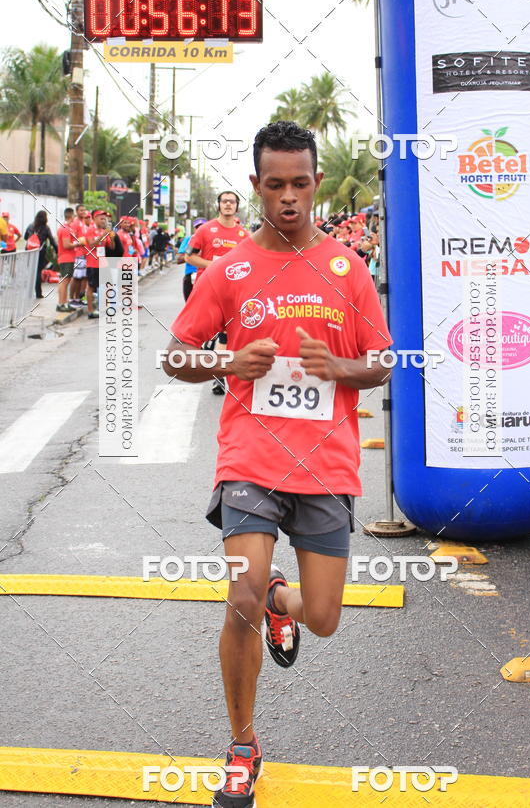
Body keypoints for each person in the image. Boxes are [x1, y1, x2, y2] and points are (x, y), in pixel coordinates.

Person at [162, 121, 392, 808]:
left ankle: (279, 601)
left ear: (315, 182)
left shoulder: (348, 269)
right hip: (251, 459)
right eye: (274, 185)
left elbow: (381, 361)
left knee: (322, 618)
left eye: (299, 183)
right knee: (240, 595)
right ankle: (242, 745)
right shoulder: (229, 269)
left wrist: (343, 366)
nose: (287, 198)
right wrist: (225, 360)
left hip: (326, 466)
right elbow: (175, 355)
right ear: (256, 185)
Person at [185, 191, 250, 394]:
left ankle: (219, 377)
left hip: (233, 291)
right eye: (224, 201)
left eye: (232, 202)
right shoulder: (205, 230)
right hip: (208, 287)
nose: (228, 205)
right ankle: (209, 349)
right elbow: (189, 258)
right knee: (205, 331)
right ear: (219, 205)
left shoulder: (244, 235)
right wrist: (214, 264)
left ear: (237, 207)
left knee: (226, 334)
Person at [84, 209, 123, 319]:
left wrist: (111, 237)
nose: (104, 220)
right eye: (101, 218)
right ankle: (91, 311)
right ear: (95, 219)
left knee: (108, 286)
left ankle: (106, 308)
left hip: (103, 263)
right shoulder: (90, 230)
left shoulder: (104, 231)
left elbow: (112, 247)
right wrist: (103, 235)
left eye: (105, 219)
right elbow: (91, 244)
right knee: (91, 287)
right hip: (93, 263)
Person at [24, 210, 58, 299]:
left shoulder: (30, 226)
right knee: (38, 272)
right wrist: (57, 251)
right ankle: (38, 293)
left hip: (29, 252)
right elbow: (52, 241)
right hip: (40, 252)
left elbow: (25, 237)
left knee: (31, 271)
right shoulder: (46, 228)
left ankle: (28, 293)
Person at [56, 207, 79, 312]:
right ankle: (61, 304)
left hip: (68, 258)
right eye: (74, 215)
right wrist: (78, 243)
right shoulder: (65, 229)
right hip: (66, 258)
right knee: (64, 281)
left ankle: (64, 303)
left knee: (66, 281)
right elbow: (66, 245)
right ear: (71, 216)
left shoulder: (68, 228)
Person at [177, 218, 204, 301]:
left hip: (207, 276)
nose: (200, 229)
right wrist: (193, 255)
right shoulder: (189, 240)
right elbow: (179, 260)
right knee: (189, 305)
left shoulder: (213, 241)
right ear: (194, 229)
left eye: (202, 227)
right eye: (197, 227)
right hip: (191, 275)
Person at [69, 204, 89, 307]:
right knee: (76, 277)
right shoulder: (75, 223)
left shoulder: (83, 223)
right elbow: (72, 238)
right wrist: (79, 242)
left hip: (85, 254)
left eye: (84, 210)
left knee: (82, 278)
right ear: (76, 212)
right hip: (78, 254)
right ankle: (72, 299)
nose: (83, 212)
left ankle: (78, 299)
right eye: (81, 210)